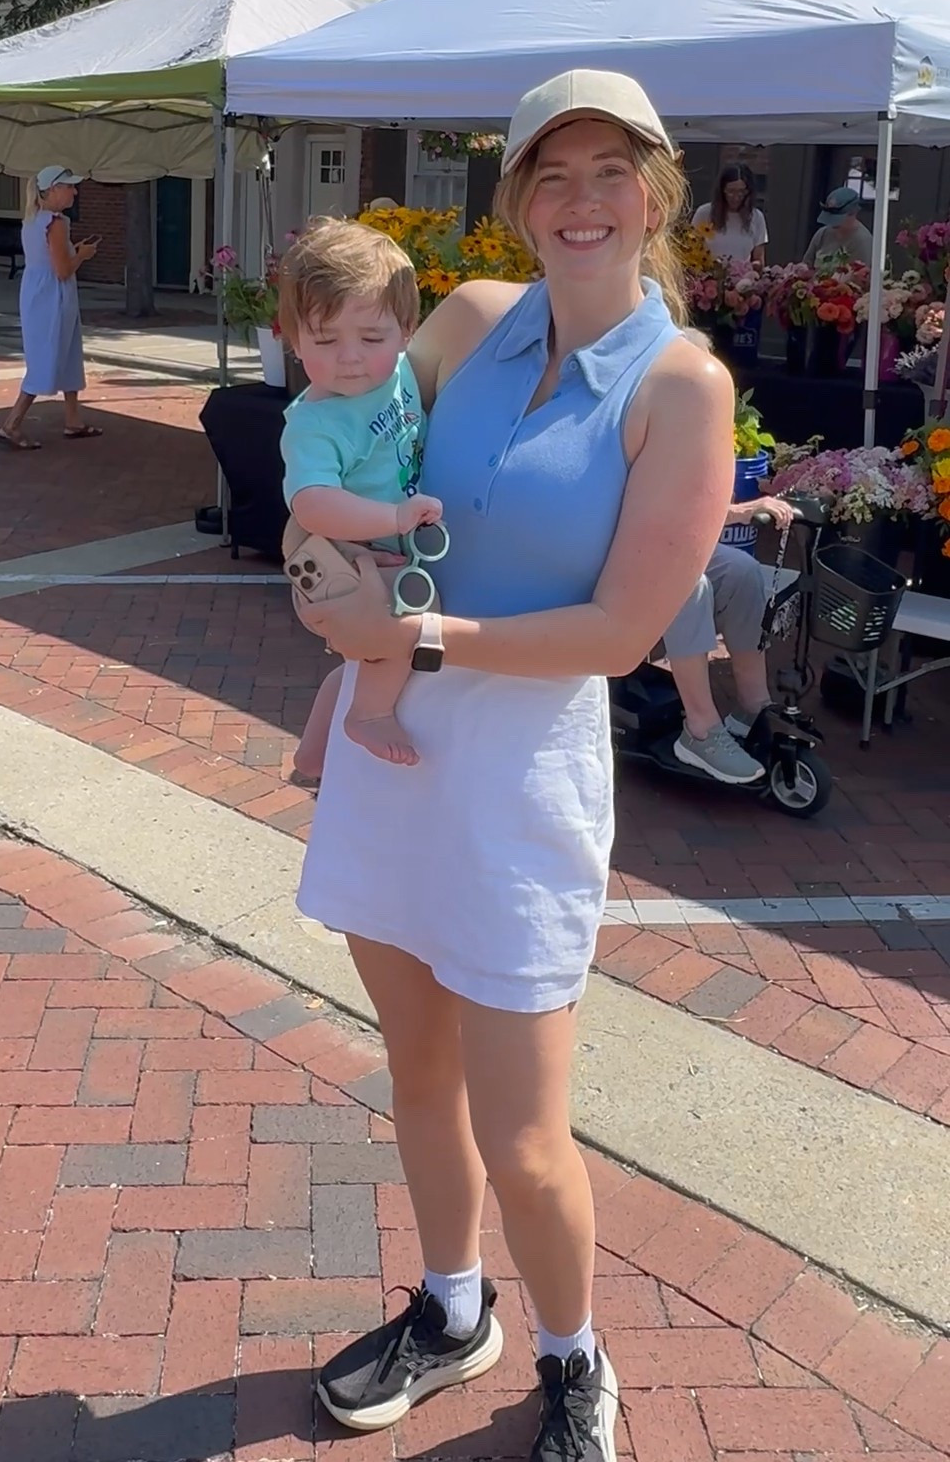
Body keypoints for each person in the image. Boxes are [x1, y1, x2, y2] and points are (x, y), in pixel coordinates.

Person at [288, 70, 735, 1462]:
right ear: (516, 205)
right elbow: (358, 469)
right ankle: (452, 1307)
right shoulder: (470, 322)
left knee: (526, 1131)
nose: (581, 200)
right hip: (392, 743)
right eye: (552, 175)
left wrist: (408, 637)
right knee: (415, 1073)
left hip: (520, 767)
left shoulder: (682, 385)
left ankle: (571, 1355)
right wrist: (321, 600)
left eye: (611, 173)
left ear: (653, 195)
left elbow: (618, 636)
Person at [279, 218, 443, 770]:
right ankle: (367, 715)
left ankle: (314, 751)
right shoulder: (317, 423)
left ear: (406, 332)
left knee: (363, 653)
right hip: (335, 549)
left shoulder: (396, 375)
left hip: (373, 541)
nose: (349, 357)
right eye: (324, 340)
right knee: (405, 623)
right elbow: (311, 503)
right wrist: (394, 514)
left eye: (371, 338)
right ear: (293, 338)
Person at [666, 499, 796, 784]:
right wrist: (738, 512)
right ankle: (700, 730)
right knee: (688, 583)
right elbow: (651, 512)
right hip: (611, 555)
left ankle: (753, 705)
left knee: (742, 571)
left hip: (660, 543)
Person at [0, 166, 102, 449]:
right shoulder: (55, 222)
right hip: (52, 295)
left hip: (37, 290)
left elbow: (50, 258)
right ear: (54, 189)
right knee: (48, 354)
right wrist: (81, 255)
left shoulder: (33, 219)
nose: (75, 191)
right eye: (69, 186)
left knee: (67, 351)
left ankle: (73, 419)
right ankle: (13, 423)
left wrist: (72, 251)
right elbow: (63, 270)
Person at [693, 162, 768, 267]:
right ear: (722, 190)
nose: (736, 197)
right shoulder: (704, 213)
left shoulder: (756, 217)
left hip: (741, 280)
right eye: (731, 191)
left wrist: (753, 268)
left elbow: (759, 259)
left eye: (742, 192)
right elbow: (691, 250)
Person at [803, 186, 873, 269]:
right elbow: (807, 265)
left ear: (853, 213)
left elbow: (860, 277)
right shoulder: (822, 234)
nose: (832, 222)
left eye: (837, 218)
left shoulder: (863, 241)